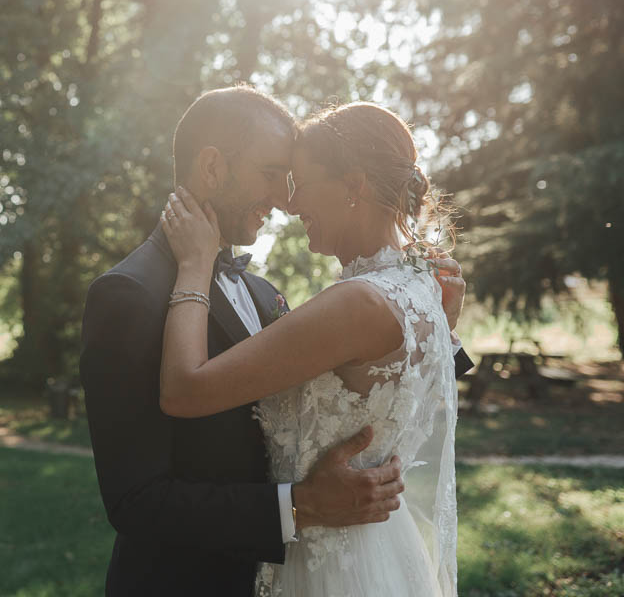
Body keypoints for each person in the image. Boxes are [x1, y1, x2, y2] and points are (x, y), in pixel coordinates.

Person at [80, 87, 472, 596]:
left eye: (295, 181)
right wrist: (299, 506)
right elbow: (135, 500)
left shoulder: (266, 294)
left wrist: (442, 330)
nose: (284, 200)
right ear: (214, 167)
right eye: (271, 173)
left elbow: (368, 378)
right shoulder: (128, 295)